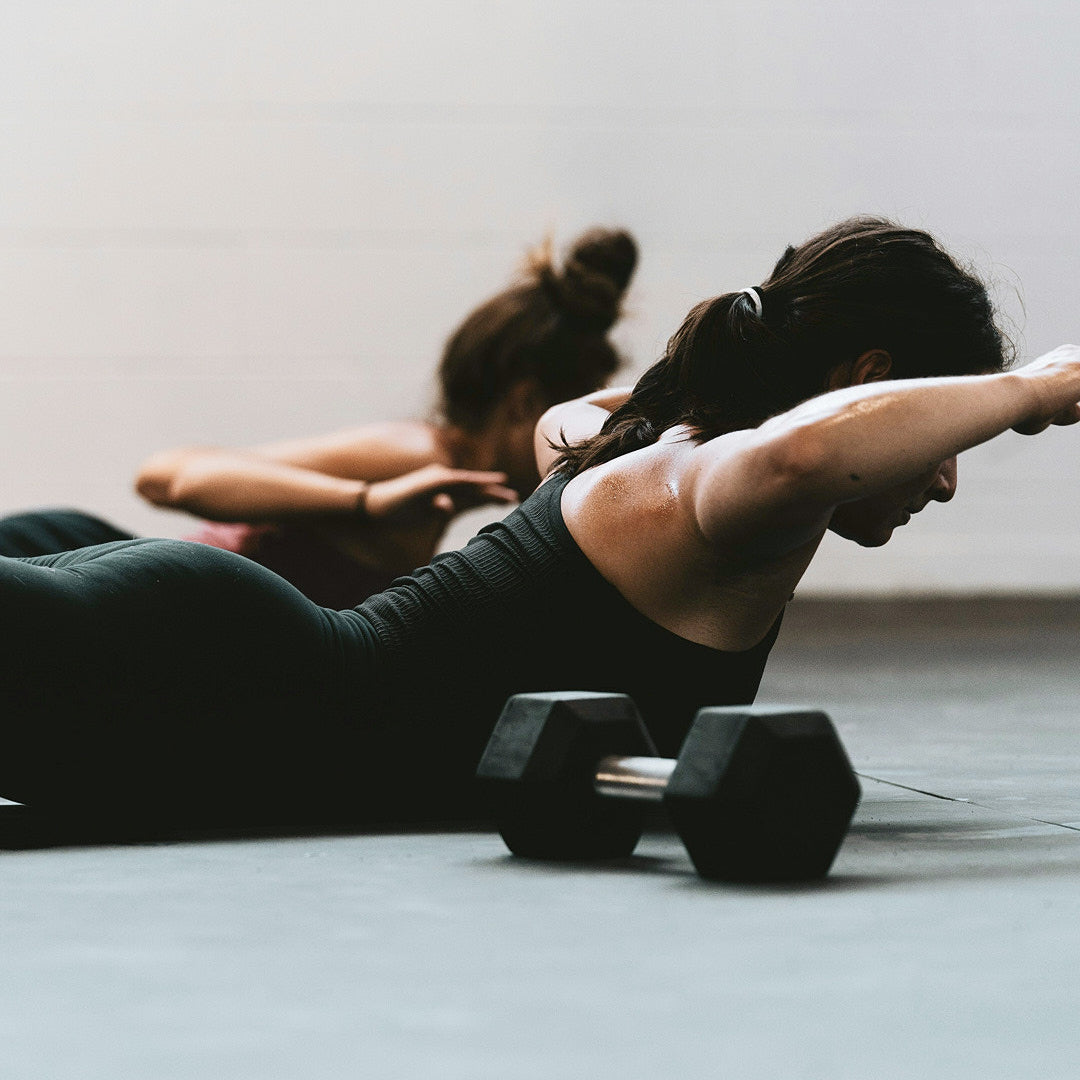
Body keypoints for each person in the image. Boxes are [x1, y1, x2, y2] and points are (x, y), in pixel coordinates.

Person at [1, 216, 1073, 830]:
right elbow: (804, 450)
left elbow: (743, 427)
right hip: (220, 684)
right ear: (871, 382)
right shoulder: (714, 492)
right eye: (943, 437)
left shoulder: (624, 437)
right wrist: (1031, 391)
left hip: (215, 701)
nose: (943, 480)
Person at [0, 227, 638, 608]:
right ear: (525, 404)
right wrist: (365, 502)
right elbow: (169, 477)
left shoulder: (438, 492)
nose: (584, 447)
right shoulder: (415, 457)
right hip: (81, 571)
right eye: (578, 422)